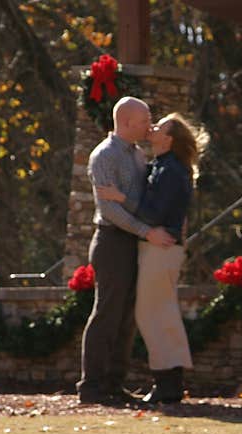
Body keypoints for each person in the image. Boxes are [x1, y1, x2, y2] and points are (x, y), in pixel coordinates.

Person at [95, 113, 208, 404]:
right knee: (156, 312)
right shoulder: (160, 164)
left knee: (154, 312)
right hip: (158, 247)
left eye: (159, 126)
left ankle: (168, 383)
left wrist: (121, 199)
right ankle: (168, 381)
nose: (152, 127)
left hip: (162, 247)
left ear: (168, 139)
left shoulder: (170, 169)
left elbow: (153, 213)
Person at [76, 97, 176, 405]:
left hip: (134, 243)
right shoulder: (104, 156)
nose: (150, 124)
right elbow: (110, 211)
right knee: (107, 312)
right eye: (145, 119)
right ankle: (91, 386)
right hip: (112, 242)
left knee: (127, 316)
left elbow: (137, 202)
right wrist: (148, 232)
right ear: (128, 122)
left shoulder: (137, 154)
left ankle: (114, 383)